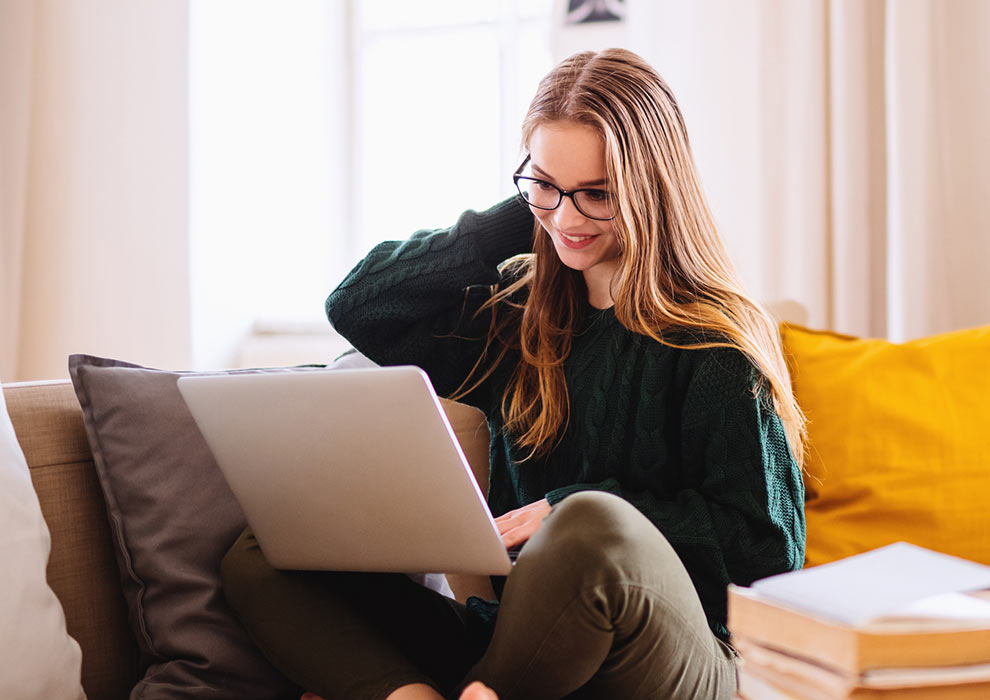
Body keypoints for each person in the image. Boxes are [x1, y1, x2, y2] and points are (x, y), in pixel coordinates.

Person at [221, 48, 806, 700]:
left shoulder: (716, 340)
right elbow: (361, 305)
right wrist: (520, 214)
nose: (569, 219)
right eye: (547, 186)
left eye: (597, 194)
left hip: (670, 653)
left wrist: (564, 511)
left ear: (651, 188)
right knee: (265, 551)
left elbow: (767, 553)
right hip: (521, 645)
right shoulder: (515, 319)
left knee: (590, 525)